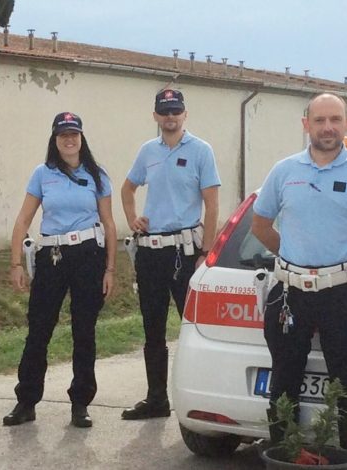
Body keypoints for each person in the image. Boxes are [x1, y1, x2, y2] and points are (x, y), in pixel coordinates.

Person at [251, 92, 347, 453]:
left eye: (335, 120)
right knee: (283, 385)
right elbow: (260, 224)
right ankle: (286, 456)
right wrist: (292, 254)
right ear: (306, 125)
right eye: (319, 120)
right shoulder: (284, 171)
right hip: (290, 291)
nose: (328, 127)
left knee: (346, 387)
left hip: (342, 294)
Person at [2, 112, 116, 429]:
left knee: (84, 331)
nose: (69, 139)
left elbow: (108, 224)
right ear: (55, 139)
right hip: (51, 256)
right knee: (39, 330)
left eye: (74, 134)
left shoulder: (97, 174)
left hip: (87, 256)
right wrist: (15, 263)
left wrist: (110, 269)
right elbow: (23, 220)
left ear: (82, 138)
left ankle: (80, 403)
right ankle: (26, 401)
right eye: (63, 134)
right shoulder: (43, 174)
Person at [120, 89, 220, 420]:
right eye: (164, 112)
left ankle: (206, 400)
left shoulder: (201, 151)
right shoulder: (148, 151)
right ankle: (156, 399)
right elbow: (128, 188)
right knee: (153, 329)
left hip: (185, 252)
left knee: (193, 327)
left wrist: (206, 252)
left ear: (185, 114)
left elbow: (212, 203)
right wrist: (133, 217)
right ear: (155, 116)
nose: (170, 117)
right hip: (151, 252)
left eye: (175, 111)